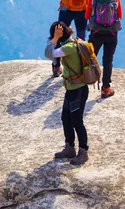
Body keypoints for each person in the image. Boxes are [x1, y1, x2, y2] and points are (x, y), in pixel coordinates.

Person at [44, 21, 89, 165]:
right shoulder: (71, 42)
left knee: (76, 121)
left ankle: (83, 152)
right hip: (71, 88)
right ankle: (70, 148)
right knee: (66, 118)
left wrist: (55, 39)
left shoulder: (69, 47)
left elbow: (49, 53)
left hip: (78, 89)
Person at [51, 0, 91, 77]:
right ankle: (82, 68)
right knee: (81, 38)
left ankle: (56, 67)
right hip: (81, 11)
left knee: (58, 36)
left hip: (66, 10)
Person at [86, 0, 122, 99]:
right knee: (108, 60)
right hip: (111, 33)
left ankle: (82, 83)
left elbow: (87, 15)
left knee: (89, 57)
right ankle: (106, 88)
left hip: (96, 32)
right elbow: (120, 15)